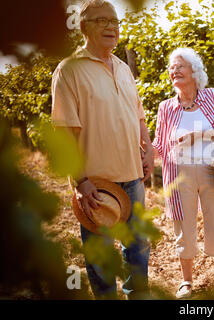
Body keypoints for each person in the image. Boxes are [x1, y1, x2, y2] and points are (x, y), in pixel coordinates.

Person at [51, 0, 154, 299]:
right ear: (83, 27)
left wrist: (147, 148)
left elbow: (138, 114)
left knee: (138, 250)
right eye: (101, 21)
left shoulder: (122, 67)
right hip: (97, 184)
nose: (111, 27)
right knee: (100, 259)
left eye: (115, 21)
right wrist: (80, 181)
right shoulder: (69, 70)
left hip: (133, 178)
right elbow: (64, 132)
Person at [152, 47, 214, 299]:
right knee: (183, 228)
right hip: (179, 175)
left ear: (194, 71)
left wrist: (199, 136)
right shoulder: (165, 107)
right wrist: (142, 151)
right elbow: (159, 144)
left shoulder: (212, 97)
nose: (174, 71)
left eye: (180, 66)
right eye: (171, 68)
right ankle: (186, 282)